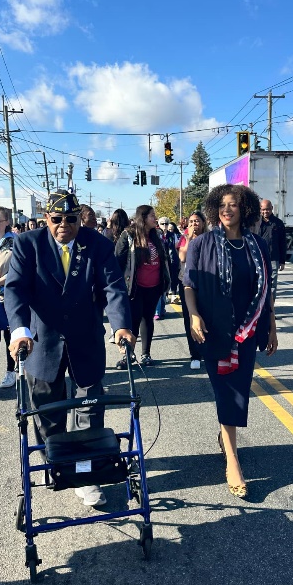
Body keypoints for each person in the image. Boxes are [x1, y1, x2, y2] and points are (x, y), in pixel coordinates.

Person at [5, 190, 135, 507]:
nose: (65, 224)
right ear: (46, 218)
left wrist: (121, 326)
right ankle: (57, 465)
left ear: (80, 219)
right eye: (57, 218)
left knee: (90, 407)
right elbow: (16, 290)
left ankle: (85, 475)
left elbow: (114, 288)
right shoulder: (27, 244)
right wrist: (20, 331)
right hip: (41, 339)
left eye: (71, 218)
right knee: (47, 410)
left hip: (84, 338)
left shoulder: (98, 244)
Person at [184, 184, 278, 498]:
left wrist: (272, 327)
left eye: (234, 205)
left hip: (248, 331)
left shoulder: (258, 246)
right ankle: (233, 460)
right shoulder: (201, 244)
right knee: (225, 390)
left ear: (245, 209)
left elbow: (266, 291)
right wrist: (194, 315)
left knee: (238, 390)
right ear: (214, 209)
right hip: (213, 330)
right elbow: (189, 284)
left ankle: (227, 438)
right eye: (222, 205)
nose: (227, 210)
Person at [115, 205, 170, 368]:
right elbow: (118, 260)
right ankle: (128, 355)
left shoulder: (157, 235)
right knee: (134, 319)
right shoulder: (128, 235)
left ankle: (146, 354)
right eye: (152, 215)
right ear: (143, 217)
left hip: (154, 286)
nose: (155, 218)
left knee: (148, 318)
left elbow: (163, 259)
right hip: (135, 287)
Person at [177, 210, 207, 370]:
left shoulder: (209, 239)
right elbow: (182, 258)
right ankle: (194, 354)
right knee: (191, 316)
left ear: (203, 223)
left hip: (207, 284)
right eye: (191, 222)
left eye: (197, 221)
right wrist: (189, 239)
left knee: (206, 316)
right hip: (187, 284)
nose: (194, 224)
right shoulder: (184, 239)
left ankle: (206, 349)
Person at [0, 206, 16, 393]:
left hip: (9, 296)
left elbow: (15, 272)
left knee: (9, 337)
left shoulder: (14, 242)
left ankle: (11, 371)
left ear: (7, 221)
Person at [258, 199, 287, 302]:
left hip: (273, 258)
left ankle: (271, 310)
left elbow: (282, 243)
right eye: (263, 210)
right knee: (258, 284)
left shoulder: (278, 223)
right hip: (258, 258)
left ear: (272, 209)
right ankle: (259, 309)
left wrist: (282, 261)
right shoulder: (256, 223)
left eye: (267, 209)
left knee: (272, 285)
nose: (265, 212)